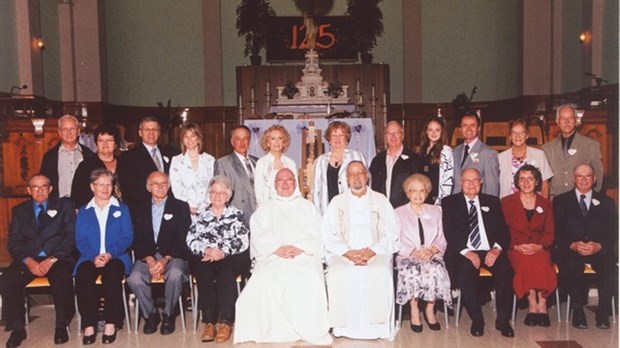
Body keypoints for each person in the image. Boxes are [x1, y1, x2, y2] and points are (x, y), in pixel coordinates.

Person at [234, 168, 332, 345]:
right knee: (263, 278)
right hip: (272, 256)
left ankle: (308, 328)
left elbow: (316, 233)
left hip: (303, 256)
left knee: (310, 278)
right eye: (281, 180)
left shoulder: (308, 207)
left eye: (289, 180)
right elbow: (258, 234)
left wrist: (299, 247)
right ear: (274, 184)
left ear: (295, 183)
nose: (285, 184)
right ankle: (270, 330)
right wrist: (276, 248)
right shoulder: (264, 209)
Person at [322, 161, 399, 339]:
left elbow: (392, 233)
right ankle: (343, 328)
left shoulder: (381, 200)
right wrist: (348, 253)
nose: (357, 177)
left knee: (378, 271)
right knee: (337, 272)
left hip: (375, 253)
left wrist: (372, 251)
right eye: (352, 174)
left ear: (367, 176)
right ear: (347, 179)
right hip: (345, 254)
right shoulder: (337, 202)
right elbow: (328, 234)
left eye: (360, 173)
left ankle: (378, 328)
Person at [0, 174, 76, 348]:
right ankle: (17, 329)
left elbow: (71, 238)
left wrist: (52, 259)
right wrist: (28, 261)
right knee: (8, 278)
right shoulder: (19, 211)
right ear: (29, 190)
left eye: (44, 187)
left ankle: (61, 325)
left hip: (58, 257)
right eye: (35, 187)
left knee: (62, 276)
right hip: (30, 258)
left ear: (50, 189)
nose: (40, 191)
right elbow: (14, 242)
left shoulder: (64, 206)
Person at [442, 168, 514, 338]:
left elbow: (504, 231)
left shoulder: (493, 201)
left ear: (481, 182)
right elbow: (449, 232)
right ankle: (477, 319)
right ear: (460, 183)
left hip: (490, 250)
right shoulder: (450, 202)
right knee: (464, 273)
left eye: (475, 180)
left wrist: (496, 250)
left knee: (506, 272)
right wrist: (468, 252)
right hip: (464, 251)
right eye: (467, 180)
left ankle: (503, 321)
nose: (471, 184)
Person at [186, 176, 250, 343]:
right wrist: (207, 249)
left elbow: (242, 241)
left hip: (229, 257)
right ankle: (209, 322)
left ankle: (226, 322)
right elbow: (191, 239)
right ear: (209, 194)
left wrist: (221, 252)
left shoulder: (236, 214)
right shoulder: (201, 215)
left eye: (222, 192)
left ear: (228, 195)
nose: (218, 196)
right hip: (207, 256)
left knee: (225, 273)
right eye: (214, 192)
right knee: (203, 271)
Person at [553, 164, 617, 330]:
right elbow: (556, 231)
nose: (583, 179)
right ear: (574, 179)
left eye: (587, 176)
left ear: (594, 179)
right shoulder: (560, 201)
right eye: (579, 176)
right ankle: (578, 310)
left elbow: (614, 231)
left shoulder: (607, 202)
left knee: (610, 267)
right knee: (570, 265)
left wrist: (599, 245)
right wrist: (572, 244)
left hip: (598, 250)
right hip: (571, 249)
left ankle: (603, 312)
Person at [127, 172, 191, 335]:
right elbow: (135, 238)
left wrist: (165, 260)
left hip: (173, 255)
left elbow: (183, 238)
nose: (160, 187)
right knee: (134, 278)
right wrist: (149, 259)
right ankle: (151, 315)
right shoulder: (138, 208)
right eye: (155, 184)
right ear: (148, 187)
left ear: (169, 186)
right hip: (147, 255)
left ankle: (169, 314)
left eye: (164, 183)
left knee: (176, 274)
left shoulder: (180, 207)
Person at [74, 169, 133, 345]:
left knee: (112, 275)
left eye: (109, 184)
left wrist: (109, 254)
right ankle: (89, 324)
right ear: (92, 187)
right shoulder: (84, 211)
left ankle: (111, 322)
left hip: (116, 256)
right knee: (83, 276)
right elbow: (80, 240)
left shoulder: (121, 208)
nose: (105, 188)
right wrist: (94, 256)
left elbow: (127, 237)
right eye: (101, 184)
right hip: (89, 257)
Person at [501, 165, 556, 327]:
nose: (526, 182)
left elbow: (550, 231)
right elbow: (500, 231)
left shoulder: (545, 204)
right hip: (516, 249)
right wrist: (515, 246)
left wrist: (539, 246)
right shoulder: (506, 203)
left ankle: (542, 304)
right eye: (522, 179)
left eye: (530, 178)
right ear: (517, 182)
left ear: (537, 181)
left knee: (542, 262)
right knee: (526, 262)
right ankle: (533, 303)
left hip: (540, 248)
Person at [395, 174, 451, 333]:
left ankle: (430, 308)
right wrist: (414, 252)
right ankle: (414, 310)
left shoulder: (436, 211)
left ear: (427, 192)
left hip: (432, 254)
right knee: (413, 270)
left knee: (435, 270)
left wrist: (433, 250)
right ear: (407, 193)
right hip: (408, 256)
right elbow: (395, 239)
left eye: (422, 190)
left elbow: (442, 236)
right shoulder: (398, 212)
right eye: (413, 190)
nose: (418, 194)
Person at [542, 104, 604, 199]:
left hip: (581, 202)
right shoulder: (547, 148)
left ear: (576, 121)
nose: (566, 122)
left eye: (570, 118)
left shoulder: (591, 145)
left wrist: (590, 199)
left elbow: (598, 175)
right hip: (555, 202)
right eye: (563, 118)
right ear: (557, 122)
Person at [118, 116, 173, 216]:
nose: (151, 133)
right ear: (140, 133)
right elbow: (129, 189)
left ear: (159, 132)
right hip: (143, 211)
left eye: (154, 129)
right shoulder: (129, 157)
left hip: (169, 208)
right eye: (147, 129)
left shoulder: (170, 153)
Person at [313, 121, 366, 214]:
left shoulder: (356, 156)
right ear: (329, 139)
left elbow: (366, 182)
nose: (337, 138)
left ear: (346, 139)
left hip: (352, 210)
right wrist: (317, 215)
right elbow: (315, 190)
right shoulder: (320, 161)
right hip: (328, 210)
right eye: (334, 135)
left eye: (341, 135)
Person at [40, 114, 95, 200]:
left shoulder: (89, 155)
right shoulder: (50, 156)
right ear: (59, 132)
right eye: (65, 129)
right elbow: (44, 182)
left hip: (83, 204)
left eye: (72, 129)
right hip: (59, 205)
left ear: (78, 131)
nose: (69, 133)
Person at [369, 120, 422, 208]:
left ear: (402, 135)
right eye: (389, 133)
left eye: (396, 133)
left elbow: (418, 187)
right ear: (385, 137)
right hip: (381, 210)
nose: (393, 136)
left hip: (405, 211)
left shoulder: (414, 159)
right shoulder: (377, 160)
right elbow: (371, 186)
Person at [169, 122, 217, 214]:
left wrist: (205, 205)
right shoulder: (177, 160)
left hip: (207, 209)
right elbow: (176, 187)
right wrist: (189, 206)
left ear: (199, 138)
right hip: (185, 209)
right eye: (185, 136)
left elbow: (213, 185)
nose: (189, 140)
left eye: (193, 136)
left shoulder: (210, 160)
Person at [71, 125, 123, 208]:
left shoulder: (126, 164)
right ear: (96, 143)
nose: (105, 144)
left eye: (109, 140)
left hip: (123, 214)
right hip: (95, 214)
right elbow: (77, 196)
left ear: (116, 144)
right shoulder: (86, 166)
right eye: (101, 140)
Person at [498, 119, 553, 198]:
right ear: (510, 136)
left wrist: (543, 205)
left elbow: (544, 183)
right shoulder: (501, 157)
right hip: (507, 204)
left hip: (533, 203)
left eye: (522, 133)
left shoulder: (539, 154)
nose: (518, 136)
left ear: (527, 135)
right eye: (514, 133)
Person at [215, 125, 257, 228]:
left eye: (245, 139)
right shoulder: (223, 163)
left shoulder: (257, 162)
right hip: (237, 218)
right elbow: (220, 195)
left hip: (258, 217)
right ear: (232, 142)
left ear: (250, 141)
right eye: (238, 139)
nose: (242, 143)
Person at [452, 112, 499, 196]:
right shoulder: (455, 152)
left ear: (479, 128)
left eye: (472, 125)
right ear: (460, 129)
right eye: (465, 125)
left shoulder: (488, 153)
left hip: (477, 204)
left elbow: (492, 187)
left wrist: (488, 207)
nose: (468, 129)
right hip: (457, 204)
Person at [254, 125, 298, 205]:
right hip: (269, 207)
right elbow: (259, 191)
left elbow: (296, 188)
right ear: (267, 143)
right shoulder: (261, 163)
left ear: (284, 142)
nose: (277, 142)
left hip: (288, 205)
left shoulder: (291, 163)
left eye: (280, 138)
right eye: (273, 139)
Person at [415, 116, 454, 205]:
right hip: (420, 197)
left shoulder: (445, 151)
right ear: (426, 131)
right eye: (430, 129)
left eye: (437, 130)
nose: (433, 133)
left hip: (436, 199)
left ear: (442, 132)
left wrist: (441, 202)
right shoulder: (421, 150)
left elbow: (448, 180)